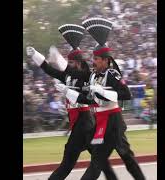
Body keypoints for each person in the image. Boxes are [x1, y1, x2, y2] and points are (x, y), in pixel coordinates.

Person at [55, 17, 146, 180]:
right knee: (97, 162)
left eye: (96, 59)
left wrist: (103, 92)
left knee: (127, 158)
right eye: (93, 59)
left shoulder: (112, 74)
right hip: (101, 122)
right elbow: (88, 99)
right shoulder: (94, 77)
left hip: (114, 122)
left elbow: (127, 95)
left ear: (105, 60)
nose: (93, 62)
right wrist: (67, 92)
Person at [26, 23, 117, 180]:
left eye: (72, 62)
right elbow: (49, 69)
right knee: (71, 165)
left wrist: (67, 86)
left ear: (79, 63)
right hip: (78, 126)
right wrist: (35, 55)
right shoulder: (68, 76)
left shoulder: (87, 76)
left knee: (90, 163)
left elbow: (85, 83)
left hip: (86, 124)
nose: (69, 65)